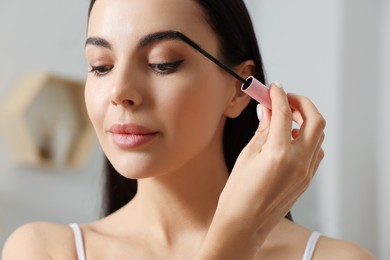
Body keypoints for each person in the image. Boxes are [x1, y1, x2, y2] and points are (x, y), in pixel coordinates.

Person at [2, 0, 374, 259]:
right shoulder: (42, 251)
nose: (120, 92)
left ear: (238, 88)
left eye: (163, 63)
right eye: (101, 66)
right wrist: (237, 237)